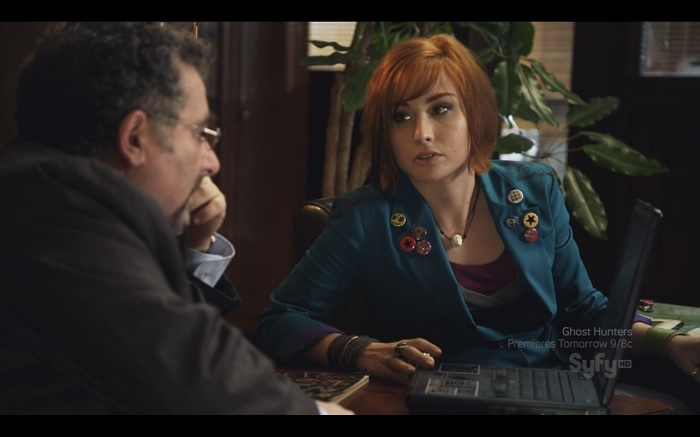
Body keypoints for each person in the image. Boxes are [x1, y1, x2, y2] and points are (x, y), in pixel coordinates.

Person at [256, 34, 700, 401]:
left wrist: (669, 344)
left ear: (476, 113)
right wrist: (358, 350)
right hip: (440, 399)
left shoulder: (535, 192)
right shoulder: (364, 218)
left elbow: (584, 313)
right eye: (401, 116)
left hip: (551, 390)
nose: (422, 133)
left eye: (440, 108)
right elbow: (280, 319)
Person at [0, 22, 352, 415]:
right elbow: (193, 372)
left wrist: (196, 246)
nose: (212, 162)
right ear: (134, 137)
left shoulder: (48, 192)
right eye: (200, 133)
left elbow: (160, 341)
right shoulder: (56, 213)